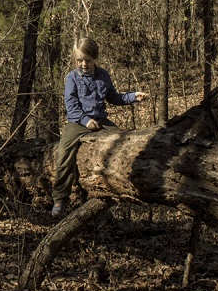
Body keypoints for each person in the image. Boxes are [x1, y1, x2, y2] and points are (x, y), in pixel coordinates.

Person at [50, 35, 146, 217]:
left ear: (95, 59)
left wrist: (134, 96)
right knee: (63, 153)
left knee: (123, 140)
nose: (84, 64)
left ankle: (123, 187)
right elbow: (71, 106)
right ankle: (60, 198)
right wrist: (85, 120)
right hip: (78, 122)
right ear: (75, 60)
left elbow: (114, 98)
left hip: (101, 121)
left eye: (88, 60)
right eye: (80, 60)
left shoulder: (103, 75)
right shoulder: (71, 78)